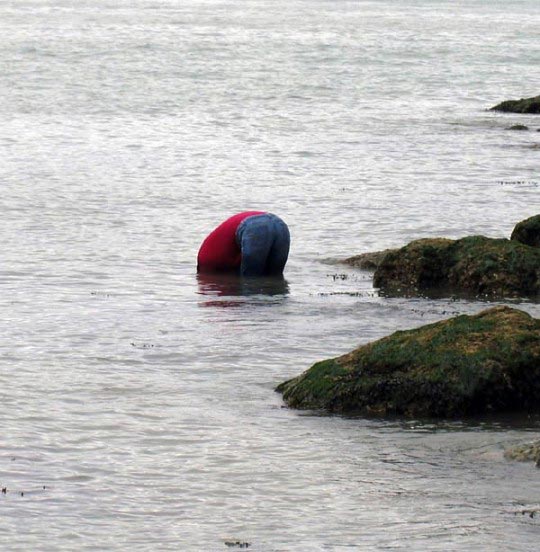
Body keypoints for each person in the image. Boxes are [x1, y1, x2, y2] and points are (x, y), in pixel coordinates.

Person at [197, 211, 290, 276]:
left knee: (250, 282)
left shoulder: (208, 264)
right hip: (279, 224)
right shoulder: (209, 253)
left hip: (254, 226)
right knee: (275, 278)